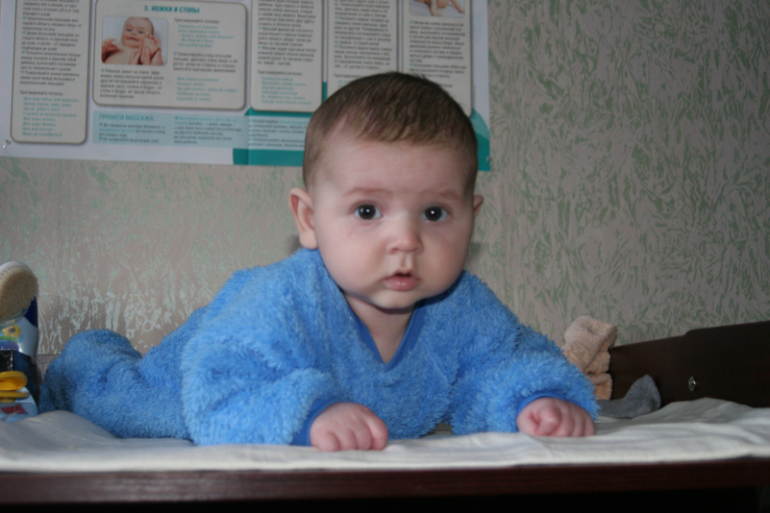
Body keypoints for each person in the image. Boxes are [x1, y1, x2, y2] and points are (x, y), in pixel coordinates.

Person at [40, 73, 596, 451]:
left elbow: (507, 360)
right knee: (114, 398)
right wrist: (307, 415)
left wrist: (535, 400)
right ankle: (86, 356)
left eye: (434, 212)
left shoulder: (464, 308)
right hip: (195, 366)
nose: (405, 240)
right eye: (368, 210)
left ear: (471, 218)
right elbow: (220, 388)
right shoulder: (284, 298)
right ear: (308, 220)